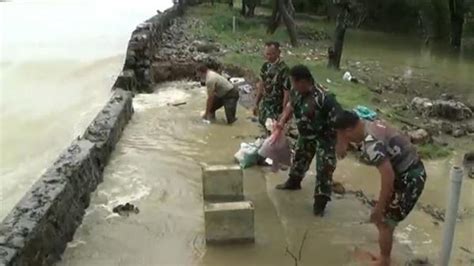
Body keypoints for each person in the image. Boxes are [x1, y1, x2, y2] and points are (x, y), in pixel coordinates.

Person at [334, 110, 426, 266]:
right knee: (384, 217)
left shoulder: (371, 143)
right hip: (408, 168)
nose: (346, 140)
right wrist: (341, 142)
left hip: (411, 178)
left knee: (383, 220)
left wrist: (379, 207)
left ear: (349, 130)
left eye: (344, 136)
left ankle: (384, 260)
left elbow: (388, 177)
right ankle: (387, 243)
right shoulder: (368, 124)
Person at [272, 65, 342, 216]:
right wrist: (281, 122)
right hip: (306, 135)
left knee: (324, 169)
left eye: (294, 82)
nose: (293, 86)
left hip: (325, 138)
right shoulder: (296, 92)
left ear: (303, 81)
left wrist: (342, 144)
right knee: (299, 160)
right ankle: (294, 183)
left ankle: (320, 204)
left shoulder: (324, 98)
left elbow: (340, 122)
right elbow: (290, 105)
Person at [253, 41, 291, 133]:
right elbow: (261, 85)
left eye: (272, 54)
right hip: (266, 103)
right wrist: (256, 103)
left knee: (274, 127)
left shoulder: (284, 69)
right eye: (267, 54)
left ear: (279, 53)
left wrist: (283, 111)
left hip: (277, 105)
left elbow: (286, 91)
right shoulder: (265, 66)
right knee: (264, 123)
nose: (269, 57)